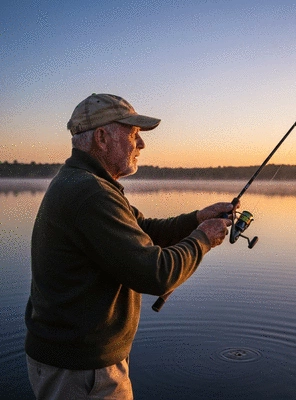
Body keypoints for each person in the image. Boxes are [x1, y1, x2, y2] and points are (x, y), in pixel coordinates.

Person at [25, 93, 234, 399]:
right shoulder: (90, 193)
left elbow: (142, 231)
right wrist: (203, 238)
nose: (142, 145)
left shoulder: (87, 182)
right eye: (134, 134)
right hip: (82, 371)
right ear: (102, 138)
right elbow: (156, 273)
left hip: (74, 362)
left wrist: (197, 219)